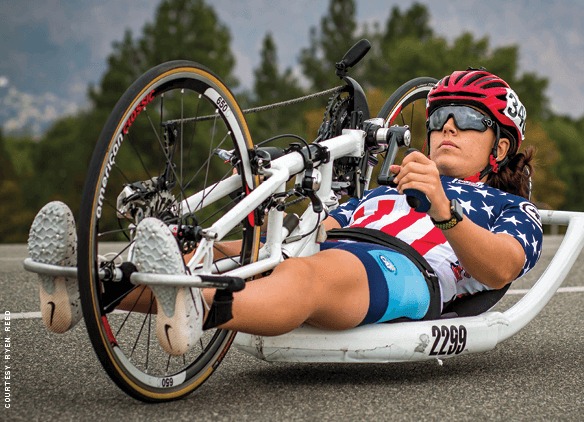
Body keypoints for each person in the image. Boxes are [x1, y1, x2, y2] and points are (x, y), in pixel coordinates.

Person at [28, 69, 543, 356]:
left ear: (498, 149)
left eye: (468, 119)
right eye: (439, 117)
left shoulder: (512, 208)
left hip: (408, 272)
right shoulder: (396, 181)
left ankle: (197, 303)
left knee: (311, 274)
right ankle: (88, 286)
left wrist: (445, 210)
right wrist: (304, 218)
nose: (447, 127)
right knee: (225, 250)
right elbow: (332, 224)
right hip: (341, 246)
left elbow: (499, 268)